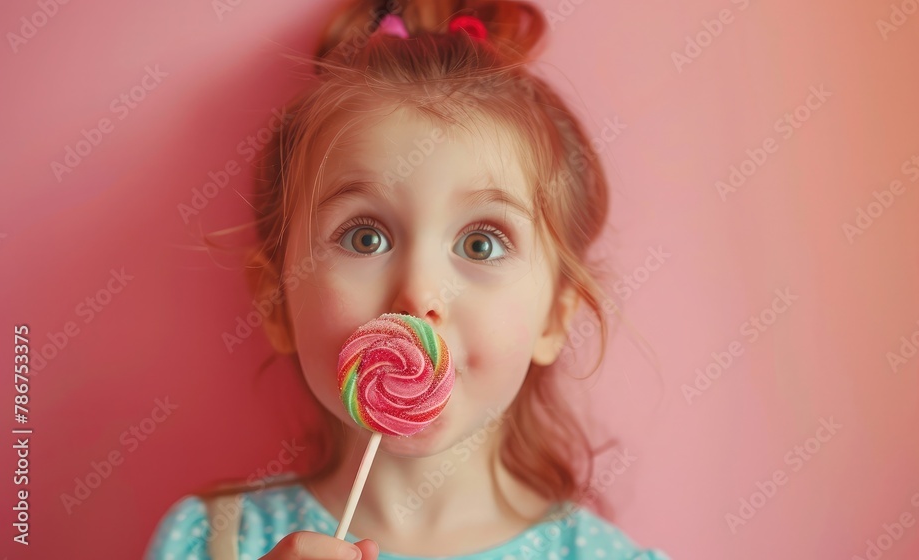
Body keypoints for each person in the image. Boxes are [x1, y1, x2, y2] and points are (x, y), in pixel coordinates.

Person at [145, 0, 669, 558]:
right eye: (364, 238)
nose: (418, 295)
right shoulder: (212, 542)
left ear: (555, 317)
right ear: (275, 302)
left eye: (480, 243)